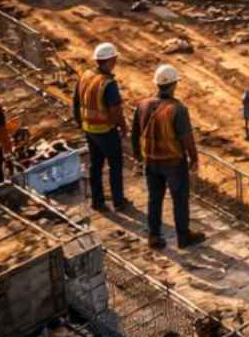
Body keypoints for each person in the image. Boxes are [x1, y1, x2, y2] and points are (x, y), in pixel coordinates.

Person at [131, 64, 204, 250]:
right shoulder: (177, 109)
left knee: (154, 199)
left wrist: (138, 157)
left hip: (151, 161)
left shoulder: (143, 105)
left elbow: (134, 134)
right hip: (173, 163)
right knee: (179, 199)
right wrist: (194, 158)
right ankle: (183, 237)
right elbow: (186, 138)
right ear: (173, 85)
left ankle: (154, 237)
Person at [73, 42, 132, 213]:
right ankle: (118, 202)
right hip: (105, 130)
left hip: (89, 129)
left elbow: (76, 102)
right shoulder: (108, 84)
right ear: (111, 60)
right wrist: (122, 127)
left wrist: (80, 122)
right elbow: (115, 110)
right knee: (115, 165)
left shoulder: (85, 75)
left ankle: (97, 202)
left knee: (95, 165)